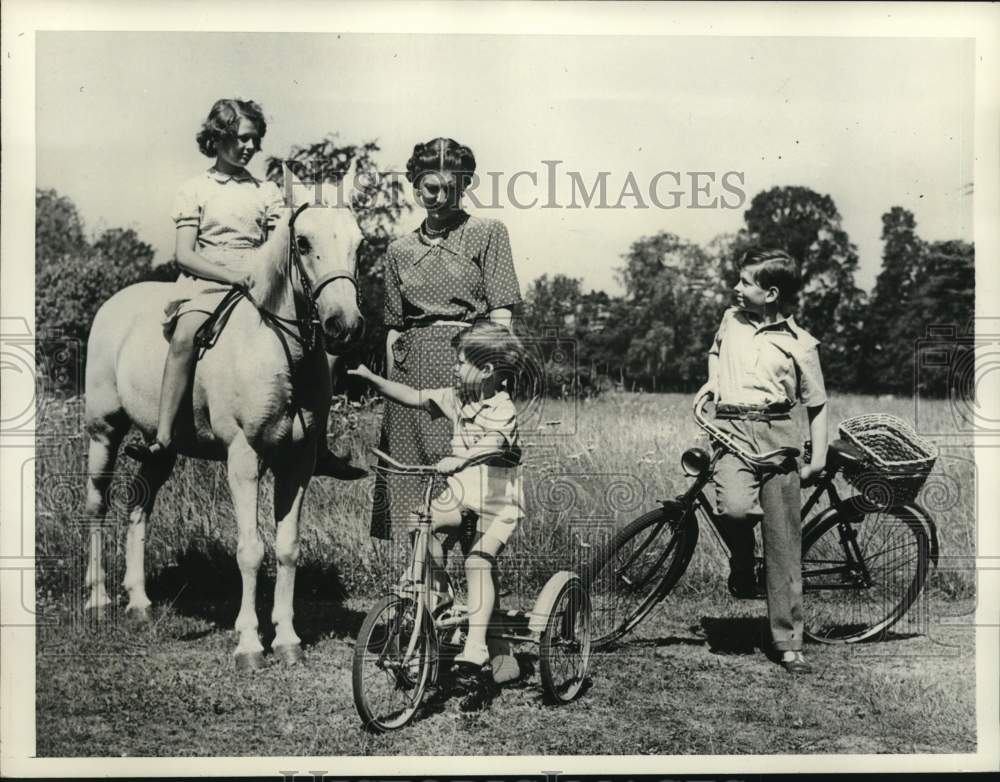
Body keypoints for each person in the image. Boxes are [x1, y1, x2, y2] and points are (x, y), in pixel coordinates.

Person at [125, 98, 360, 478]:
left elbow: (280, 247)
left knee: (317, 345)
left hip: (257, 285)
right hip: (206, 284)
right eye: (242, 139)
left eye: (255, 140)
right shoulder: (195, 189)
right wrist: (229, 275)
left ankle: (318, 444)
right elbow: (184, 255)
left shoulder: (266, 192)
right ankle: (164, 436)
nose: (250, 147)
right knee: (185, 335)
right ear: (217, 138)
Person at [350, 321, 526, 669]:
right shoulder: (458, 397)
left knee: (477, 561)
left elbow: (493, 444)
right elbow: (415, 397)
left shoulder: (502, 409)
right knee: (421, 520)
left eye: (461, 361)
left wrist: (460, 457)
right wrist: (374, 381)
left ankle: (476, 645)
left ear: (487, 370)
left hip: (498, 504)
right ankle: (439, 588)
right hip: (462, 496)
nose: (455, 367)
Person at [371, 137, 522, 539]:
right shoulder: (399, 249)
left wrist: (495, 378)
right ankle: (424, 588)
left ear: (465, 185)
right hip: (409, 370)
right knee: (413, 477)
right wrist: (390, 388)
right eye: (430, 187)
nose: (439, 197)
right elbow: (393, 325)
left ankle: (474, 579)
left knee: (461, 473)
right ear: (415, 185)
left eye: (450, 188)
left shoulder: (487, 232)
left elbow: (501, 311)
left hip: (466, 366)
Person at [697, 248, 829, 674]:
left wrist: (818, 456)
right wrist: (713, 382)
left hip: (780, 440)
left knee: (784, 542)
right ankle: (740, 561)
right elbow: (716, 353)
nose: (736, 288)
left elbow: (817, 404)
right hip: (732, 431)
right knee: (733, 507)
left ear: (771, 293)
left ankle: (788, 639)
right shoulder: (729, 320)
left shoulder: (801, 344)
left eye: (745, 282)